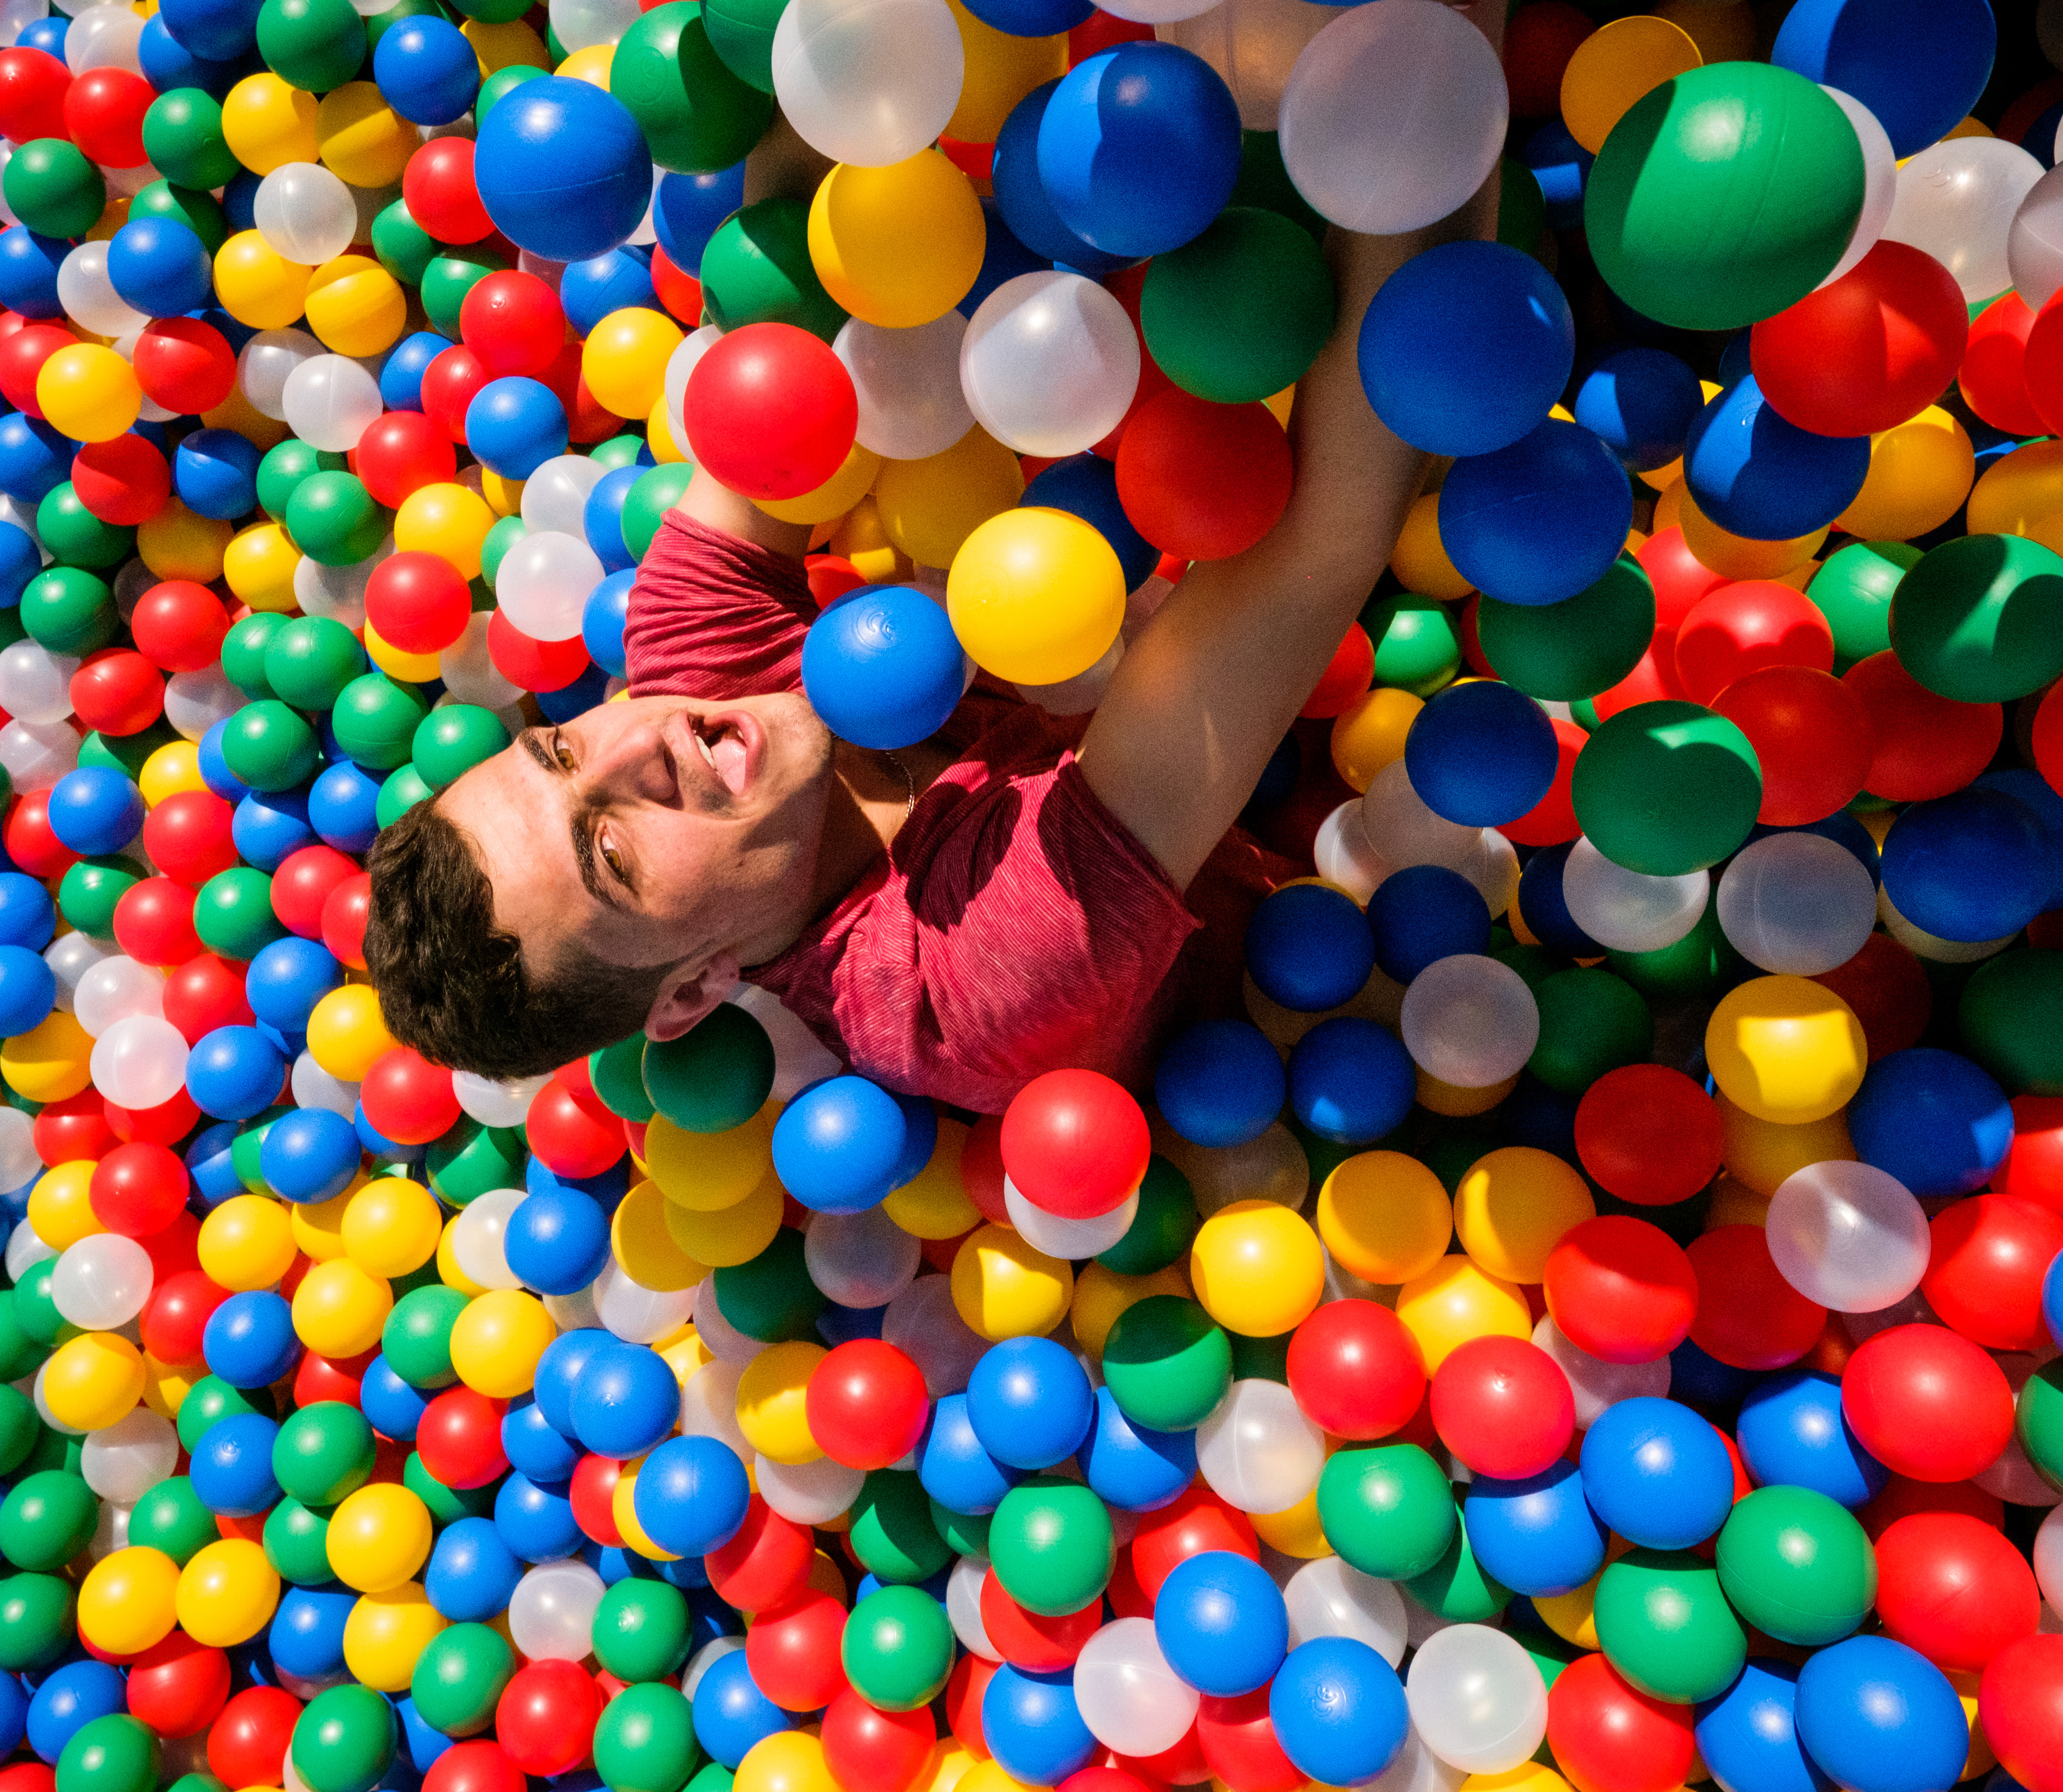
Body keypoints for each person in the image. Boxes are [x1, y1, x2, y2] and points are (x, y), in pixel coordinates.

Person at [366, 86, 1501, 1110]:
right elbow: (1313, 553)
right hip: (1389, 939)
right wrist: (1399, 84)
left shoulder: (683, 672)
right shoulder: (966, 986)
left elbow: (797, 272)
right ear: (695, 992)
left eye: (562, 751)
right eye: (611, 854)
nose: (639, 749)